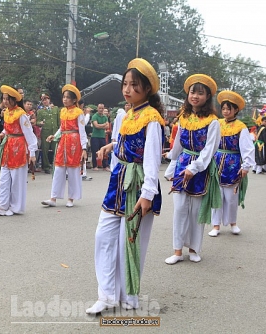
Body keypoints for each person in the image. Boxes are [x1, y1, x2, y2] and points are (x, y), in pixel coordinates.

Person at [86, 58, 165, 314]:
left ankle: (129, 295)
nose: (127, 89)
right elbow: (123, 141)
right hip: (117, 180)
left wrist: (148, 194)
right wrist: (111, 146)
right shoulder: (128, 114)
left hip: (138, 184)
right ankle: (107, 295)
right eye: (125, 84)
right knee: (104, 236)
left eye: (134, 85)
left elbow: (152, 159)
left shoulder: (152, 118)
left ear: (147, 89)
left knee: (130, 242)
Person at [165, 74, 220, 265]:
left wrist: (194, 167)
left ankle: (194, 249)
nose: (195, 96)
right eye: (192, 92)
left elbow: (210, 149)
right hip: (182, 163)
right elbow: (178, 145)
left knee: (196, 210)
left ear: (207, 97)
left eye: (200, 93)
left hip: (200, 168)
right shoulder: (184, 117)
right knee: (179, 209)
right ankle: (177, 251)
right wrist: (172, 166)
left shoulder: (213, 121)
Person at [208, 91, 255, 237]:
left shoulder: (241, 127)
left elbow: (247, 147)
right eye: (223, 109)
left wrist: (246, 165)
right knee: (216, 195)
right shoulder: (217, 123)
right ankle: (216, 226)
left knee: (231, 198)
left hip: (232, 164)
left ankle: (233, 223)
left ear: (236, 110)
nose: (226, 111)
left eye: (229, 109)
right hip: (216, 163)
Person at [0, 85, 37, 216]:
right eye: (4, 99)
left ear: (15, 100)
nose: (5, 101)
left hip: (19, 148)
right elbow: (7, 128)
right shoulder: (7, 112)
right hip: (8, 147)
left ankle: (16, 207)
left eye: (8, 99)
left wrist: (32, 152)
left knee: (17, 180)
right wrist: (2, 134)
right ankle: (2, 205)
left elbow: (29, 134)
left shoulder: (21, 115)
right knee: (4, 178)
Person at [41, 84, 87, 208]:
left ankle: (71, 198)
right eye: (64, 97)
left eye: (68, 97)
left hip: (74, 143)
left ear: (74, 100)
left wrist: (84, 148)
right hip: (63, 143)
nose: (65, 99)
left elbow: (82, 131)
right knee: (58, 170)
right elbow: (62, 128)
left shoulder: (79, 113)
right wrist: (54, 136)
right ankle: (53, 198)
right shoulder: (62, 111)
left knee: (72, 171)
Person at [36, 92, 60, 174]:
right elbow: (37, 122)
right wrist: (40, 123)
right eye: (43, 100)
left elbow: (58, 121)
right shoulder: (40, 111)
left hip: (55, 132)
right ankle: (46, 167)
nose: (45, 101)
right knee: (45, 150)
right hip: (45, 132)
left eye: (46, 99)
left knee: (55, 149)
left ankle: (56, 165)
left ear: (49, 99)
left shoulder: (55, 108)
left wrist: (60, 131)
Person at [90, 104, 109, 171]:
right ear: (97, 108)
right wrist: (103, 125)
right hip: (95, 136)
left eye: (102, 108)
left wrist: (100, 125)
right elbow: (96, 125)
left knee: (104, 151)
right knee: (95, 151)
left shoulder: (105, 117)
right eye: (100, 108)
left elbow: (107, 126)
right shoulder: (94, 116)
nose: (101, 109)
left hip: (102, 136)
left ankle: (105, 166)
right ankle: (95, 166)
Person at [110, 106, 127, 171]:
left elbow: (115, 128)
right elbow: (116, 127)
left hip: (119, 137)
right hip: (119, 137)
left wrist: (113, 137)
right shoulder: (120, 116)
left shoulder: (123, 115)